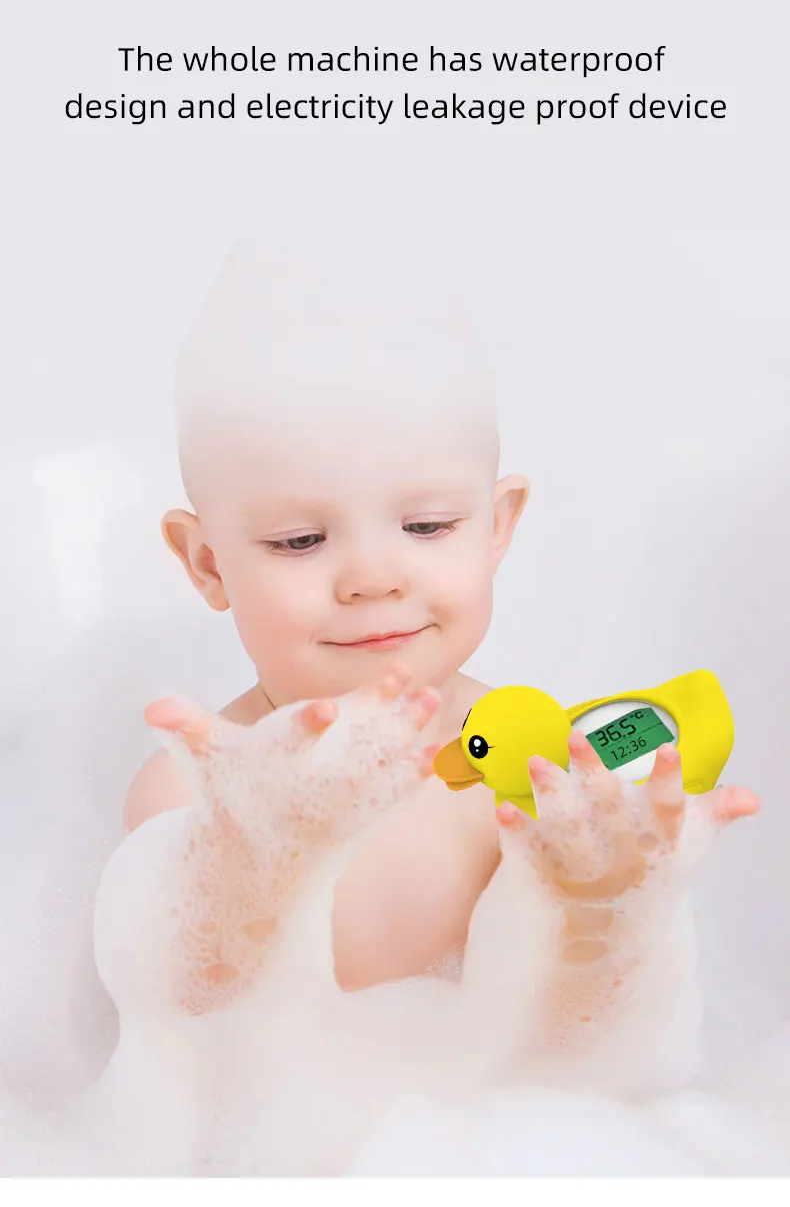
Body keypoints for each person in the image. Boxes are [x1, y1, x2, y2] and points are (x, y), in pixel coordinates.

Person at [122, 240, 759, 1068]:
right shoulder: (191, 792)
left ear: (497, 527)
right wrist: (257, 870)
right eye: (301, 539)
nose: (374, 576)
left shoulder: (535, 775)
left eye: (426, 525)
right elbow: (190, 1028)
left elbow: (575, 1056)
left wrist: (607, 906)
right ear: (208, 563)